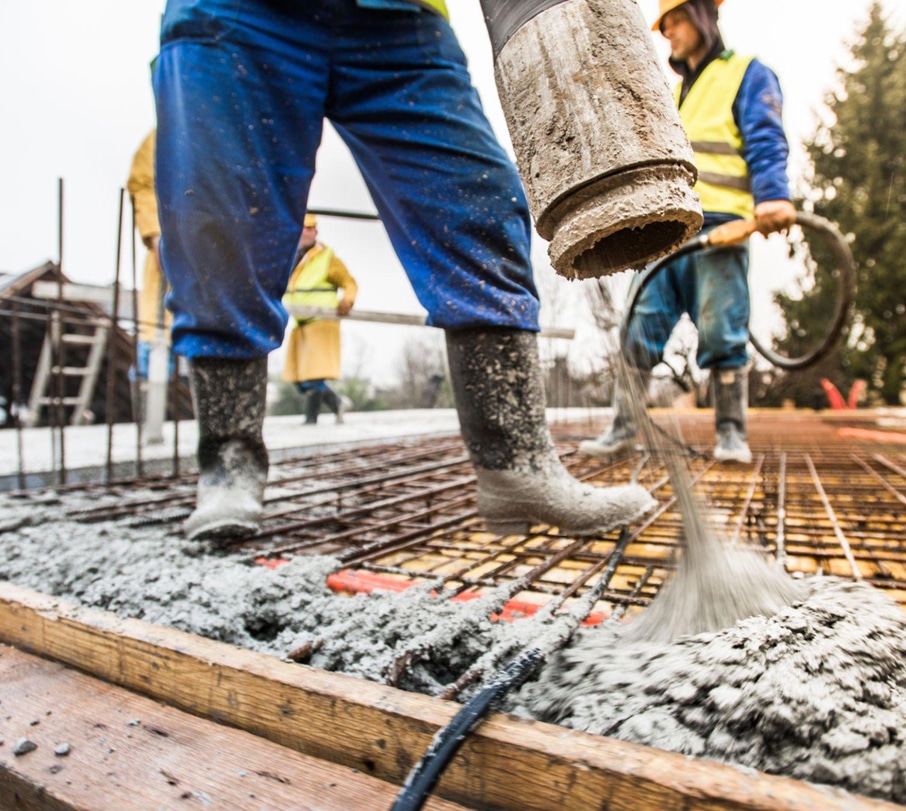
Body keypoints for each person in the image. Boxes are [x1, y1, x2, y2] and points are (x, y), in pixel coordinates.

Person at [152, 0, 657, 542]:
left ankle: (517, 466)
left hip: (400, 18)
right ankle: (228, 466)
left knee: (480, 201)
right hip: (240, 14)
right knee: (222, 225)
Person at [580, 0, 796, 465]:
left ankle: (731, 435)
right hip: (668, 229)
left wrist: (773, 195)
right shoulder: (675, 92)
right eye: (665, 26)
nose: (669, 33)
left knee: (721, 329)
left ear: (701, 15)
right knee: (640, 324)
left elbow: (765, 138)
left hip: (722, 227)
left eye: (675, 21)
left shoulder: (746, 73)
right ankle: (622, 430)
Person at [281, 213, 358, 425]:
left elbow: (349, 283)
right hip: (299, 322)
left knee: (314, 376)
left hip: (322, 320)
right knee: (298, 377)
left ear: (316, 232)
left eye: (310, 228)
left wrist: (348, 300)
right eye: (302, 228)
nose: (306, 232)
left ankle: (310, 421)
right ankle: (337, 403)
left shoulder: (326, 257)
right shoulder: (291, 257)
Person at [126, 128, 175, 439]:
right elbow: (143, 184)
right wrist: (155, 236)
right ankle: (149, 425)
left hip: (216, 253)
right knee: (154, 339)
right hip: (169, 251)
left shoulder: (232, 128)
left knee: (211, 341)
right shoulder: (165, 134)